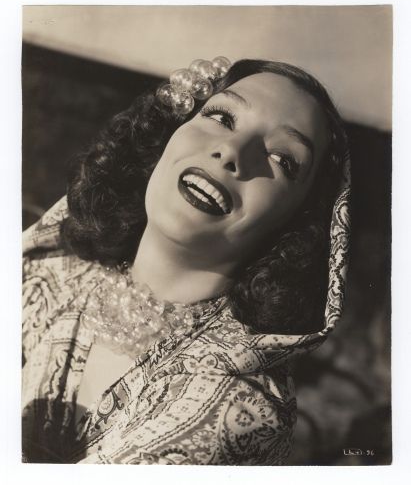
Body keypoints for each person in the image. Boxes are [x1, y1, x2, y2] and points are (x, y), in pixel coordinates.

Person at [22, 58, 350, 464]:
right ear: (167, 135)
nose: (233, 151)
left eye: (282, 159)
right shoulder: (48, 271)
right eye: (222, 117)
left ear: (297, 226)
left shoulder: (243, 411)